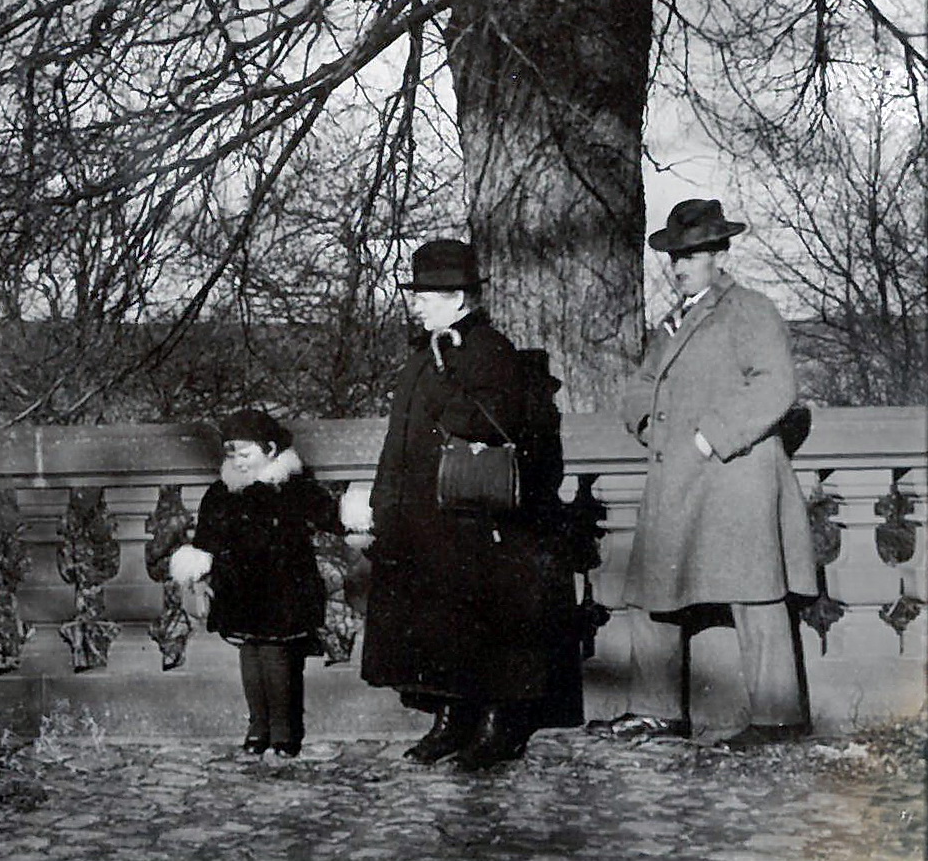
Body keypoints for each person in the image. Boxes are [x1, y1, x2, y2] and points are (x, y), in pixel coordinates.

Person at [591, 198, 817, 746]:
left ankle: (777, 719)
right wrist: (647, 423)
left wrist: (709, 436)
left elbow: (775, 386)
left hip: (735, 479)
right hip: (680, 483)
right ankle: (655, 711)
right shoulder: (672, 322)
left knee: (756, 596)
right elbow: (642, 384)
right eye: (674, 257)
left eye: (692, 254)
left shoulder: (751, 310)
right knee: (654, 595)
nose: (680, 266)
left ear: (719, 253)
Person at [349, 238, 581, 771]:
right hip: (427, 515)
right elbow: (399, 441)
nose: (417, 303)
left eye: (427, 294)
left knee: (485, 625)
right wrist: (386, 504)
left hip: (475, 516)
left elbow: (484, 421)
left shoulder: (487, 350)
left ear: (459, 298)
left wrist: (448, 368)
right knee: (441, 627)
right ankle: (451, 719)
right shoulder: (427, 350)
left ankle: (497, 726)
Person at [169, 408, 341, 757]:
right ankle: (257, 727)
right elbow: (206, 539)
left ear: (272, 451)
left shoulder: (292, 488)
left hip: (284, 588)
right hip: (239, 589)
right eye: (232, 455)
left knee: (278, 654)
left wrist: (355, 518)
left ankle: (284, 732)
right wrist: (199, 573)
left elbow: (330, 516)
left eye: (246, 455)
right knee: (250, 653)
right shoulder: (222, 493)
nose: (239, 462)